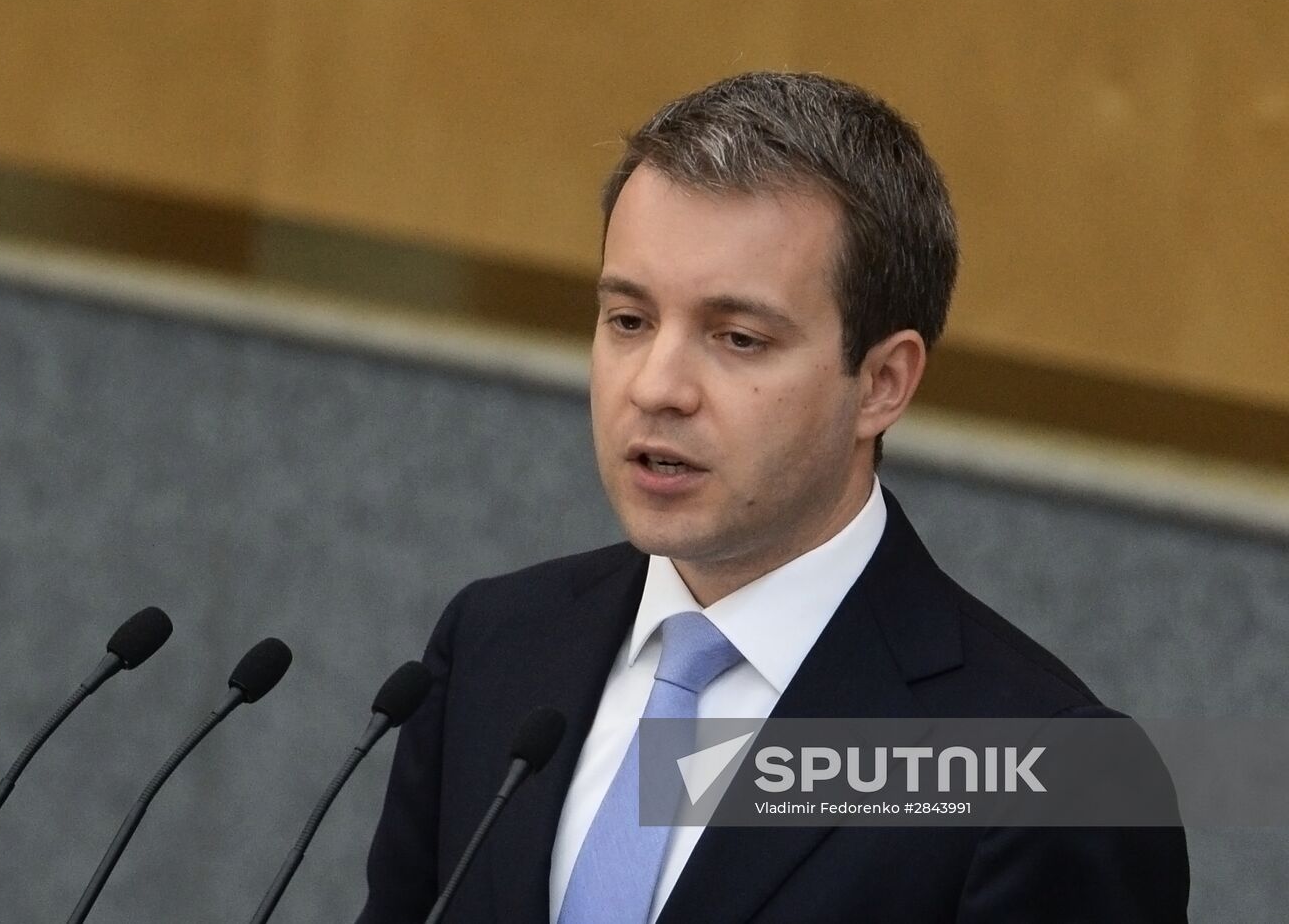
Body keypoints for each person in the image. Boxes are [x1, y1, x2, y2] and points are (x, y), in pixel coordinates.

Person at [358, 72, 1189, 923]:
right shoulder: (495, 645)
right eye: (629, 321)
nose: (657, 388)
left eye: (738, 338)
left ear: (881, 383)